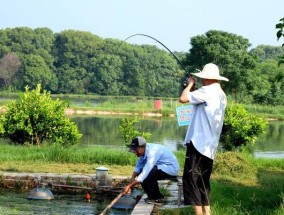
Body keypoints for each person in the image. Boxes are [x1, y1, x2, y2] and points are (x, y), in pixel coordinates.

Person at [179, 63, 228, 215]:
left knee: (191, 180)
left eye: (201, 78)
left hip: (197, 142)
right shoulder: (221, 94)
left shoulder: (206, 90)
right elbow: (202, 104)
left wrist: (189, 84)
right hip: (209, 146)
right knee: (203, 181)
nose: (200, 81)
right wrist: (195, 90)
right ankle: (207, 212)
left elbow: (182, 98)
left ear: (207, 78)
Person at [122, 136, 180, 204]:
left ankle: (158, 197)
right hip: (159, 167)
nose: (136, 153)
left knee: (148, 172)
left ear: (143, 147)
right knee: (142, 172)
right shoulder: (144, 151)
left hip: (170, 168)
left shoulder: (153, 151)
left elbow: (146, 170)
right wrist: (133, 177)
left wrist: (129, 186)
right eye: (134, 151)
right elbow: (139, 165)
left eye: (137, 150)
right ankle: (151, 197)